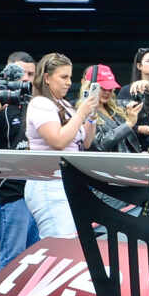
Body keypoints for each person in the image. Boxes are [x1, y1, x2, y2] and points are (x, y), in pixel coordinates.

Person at [25, 52, 97, 238]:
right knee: (60, 244)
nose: (68, 82)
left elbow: (86, 142)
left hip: (67, 182)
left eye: (70, 77)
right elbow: (58, 141)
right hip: (49, 184)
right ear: (47, 78)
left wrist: (91, 116)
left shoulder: (64, 104)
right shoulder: (40, 103)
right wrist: (81, 113)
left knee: (72, 244)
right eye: (63, 77)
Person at [0, 51, 40, 268]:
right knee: (13, 261)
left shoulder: (41, 106)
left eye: (31, 74)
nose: (26, 79)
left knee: (39, 260)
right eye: (20, 73)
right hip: (13, 194)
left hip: (40, 193)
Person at [80, 64, 143, 153]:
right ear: (90, 87)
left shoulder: (116, 106)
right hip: (108, 165)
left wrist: (147, 87)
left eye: (110, 89)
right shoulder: (83, 111)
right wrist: (128, 124)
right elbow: (98, 145)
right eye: (103, 88)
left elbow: (140, 105)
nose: (107, 92)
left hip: (130, 160)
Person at [118, 47, 149, 150]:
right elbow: (118, 122)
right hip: (135, 146)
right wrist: (138, 128)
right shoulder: (127, 90)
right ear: (139, 66)